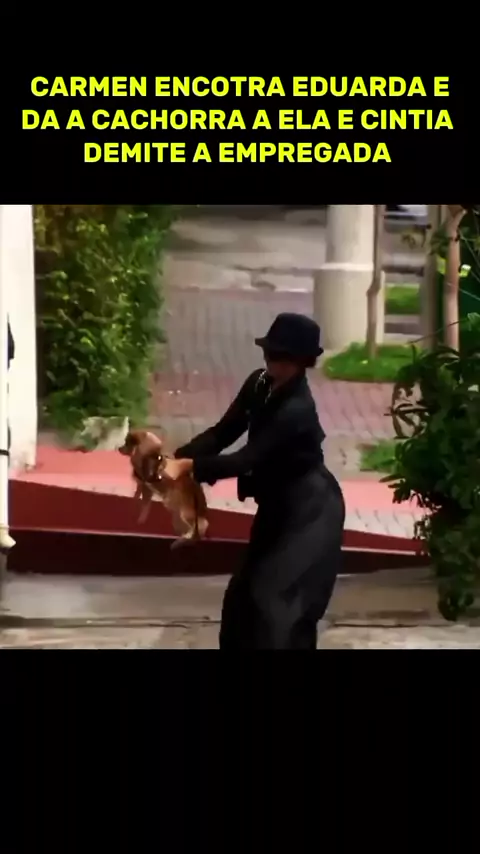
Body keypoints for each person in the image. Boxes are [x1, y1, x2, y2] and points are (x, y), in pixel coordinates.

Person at [162, 313, 346, 650]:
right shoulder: (258, 384)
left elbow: (246, 459)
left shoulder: (297, 408)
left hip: (312, 511)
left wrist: (189, 467)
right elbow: (222, 433)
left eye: (283, 357)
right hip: (277, 507)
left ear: (302, 362)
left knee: (278, 607)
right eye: (270, 353)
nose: (273, 361)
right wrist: (176, 459)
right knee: (242, 601)